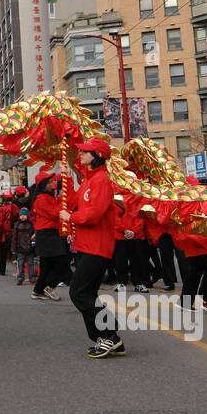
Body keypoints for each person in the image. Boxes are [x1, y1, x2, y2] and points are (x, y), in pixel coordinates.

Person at [62, 138, 126, 359]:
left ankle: (109, 334)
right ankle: (108, 339)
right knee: (88, 293)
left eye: (85, 152)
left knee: (78, 292)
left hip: (97, 247)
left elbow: (94, 213)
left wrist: (71, 217)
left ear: (96, 156)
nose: (80, 155)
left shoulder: (101, 181)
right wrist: (63, 184)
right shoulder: (88, 180)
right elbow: (77, 203)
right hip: (86, 245)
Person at [30, 170, 70, 301]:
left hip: (50, 232)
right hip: (47, 233)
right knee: (62, 261)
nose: (53, 183)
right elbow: (53, 214)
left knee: (47, 265)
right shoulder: (41, 199)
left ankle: (38, 291)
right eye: (50, 182)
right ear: (43, 184)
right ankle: (49, 287)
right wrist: (61, 204)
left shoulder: (48, 196)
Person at [11, 206, 35, 286]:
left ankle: (32, 277)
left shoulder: (31, 225)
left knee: (30, 263)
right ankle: (20, 278)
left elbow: (34, 236)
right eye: (21, 215)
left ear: (27, 215)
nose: (22, 217)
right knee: (20, 264)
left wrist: (34, 246)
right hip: (20, 247)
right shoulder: (17, 225)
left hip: (29, 247)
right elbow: (14, 237)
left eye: (24, 215)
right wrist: (14, 248)